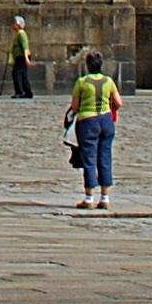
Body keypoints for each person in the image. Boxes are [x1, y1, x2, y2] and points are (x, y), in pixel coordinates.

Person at [65, 50, 124, 210]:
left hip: (88, 122)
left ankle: (89, 198)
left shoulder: (82, 82)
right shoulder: (109, 81)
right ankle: (105, 197)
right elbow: (118, 103)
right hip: (106, 121)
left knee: (89, 158)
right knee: (105, 157)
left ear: (87, 66)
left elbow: (75, 107)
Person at [9, 15, 35, 99]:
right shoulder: (18, 34)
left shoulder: (21, 33)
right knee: (22, 74)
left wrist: (26, 58)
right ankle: (27, 92)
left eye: (14, 23)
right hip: (19, 57)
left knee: (17, 73)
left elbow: (25, 46)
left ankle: (20, 92)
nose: (13, 25)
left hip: (22, 57)